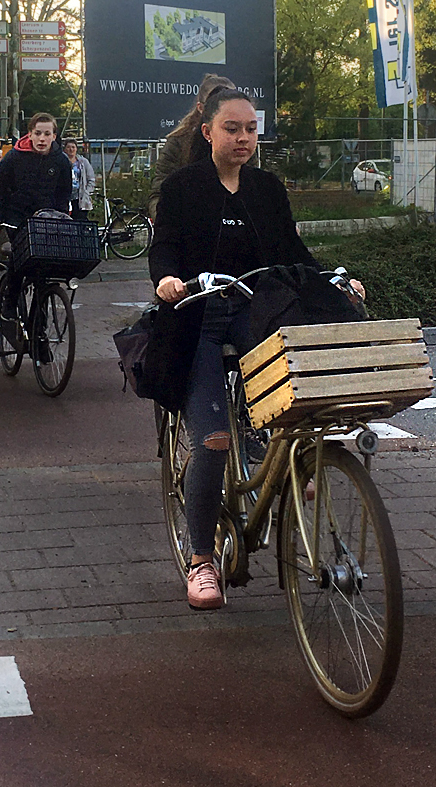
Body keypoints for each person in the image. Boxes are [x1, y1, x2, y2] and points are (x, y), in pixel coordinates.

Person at [149, 85, 362, 610]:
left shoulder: (267, 188)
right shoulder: (181, 187)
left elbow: (291, 251)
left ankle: (281, 467)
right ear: (208, 132)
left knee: (293, 403)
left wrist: (333, 281)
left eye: (250, 129)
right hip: (195, 317)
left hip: (252, 309)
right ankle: (201, 558)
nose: (244, 138)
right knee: (212, 439)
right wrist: (169, 280)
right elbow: (165, 248)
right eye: (232, 129)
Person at [0, 115, 73, 353]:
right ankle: (9, 303)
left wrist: (63, 219)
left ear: (54, 136)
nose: (42, 139)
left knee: (44, 276)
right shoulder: (14, 157)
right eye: (38, 133)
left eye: (47, 134)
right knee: (20, 258)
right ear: (30, 134)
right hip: (18, 220)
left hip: (47, 223)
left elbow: (64, 194)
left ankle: (38, 331)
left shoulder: (61, 161)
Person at [151, 74, 239, 213]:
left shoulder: (242, 143)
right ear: (201, 108)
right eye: (217, 106)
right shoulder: (179, 141)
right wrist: (172, 225)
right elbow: (159, 195)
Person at [65, 140, 96, 222]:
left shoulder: (83, 162)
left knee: (81, 220)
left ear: (76, 149)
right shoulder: (62, 161)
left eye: (73, 147)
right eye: (68, 147)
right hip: (66, 197)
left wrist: (87, 191)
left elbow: (91, 178)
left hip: (80, 197)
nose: (71, 149)